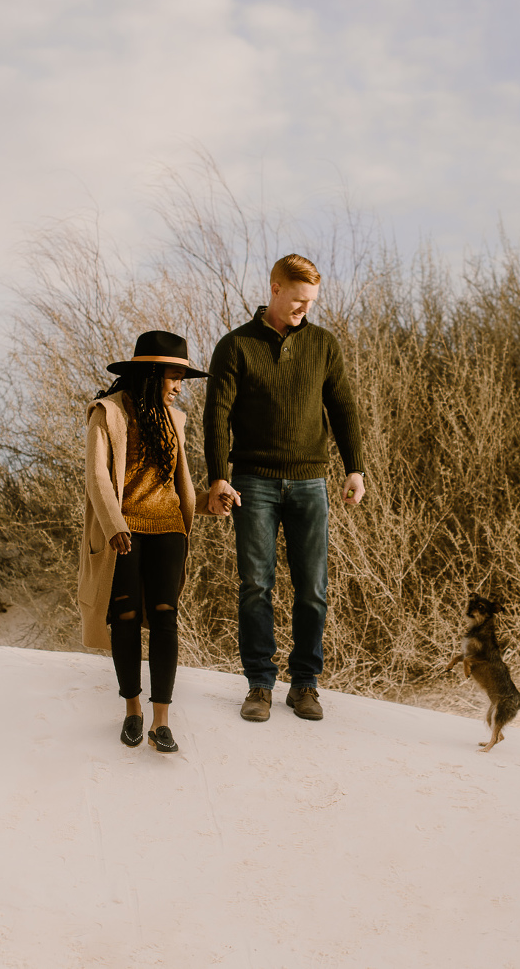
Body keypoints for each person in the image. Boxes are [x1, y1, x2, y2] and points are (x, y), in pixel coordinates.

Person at [204, 254, 365, 723]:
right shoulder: (235, 347)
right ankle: (259, 684)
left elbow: (343, 407)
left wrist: (355, 468)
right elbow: (217, 417)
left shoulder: (322, 344)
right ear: (274, 289)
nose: (304, 310)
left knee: (313, 587)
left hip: (311, 482)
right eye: (298, 301)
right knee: (256, 585)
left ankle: (305, 684)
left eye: (310, 302)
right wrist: (218, 476)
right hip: (253, 481)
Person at [78, 330, 209, 752]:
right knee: (127, 615)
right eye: (173, 376)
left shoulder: (176, 421)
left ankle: (161, 721)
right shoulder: (108, 413)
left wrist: (211, 500)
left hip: (169, 528)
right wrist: (115, 524)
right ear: (152, 374)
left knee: (166, 616)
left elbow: (175, 486)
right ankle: (132, 709)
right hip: (125, 530)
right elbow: (97, 475)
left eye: (182, 379)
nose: (178, 386)